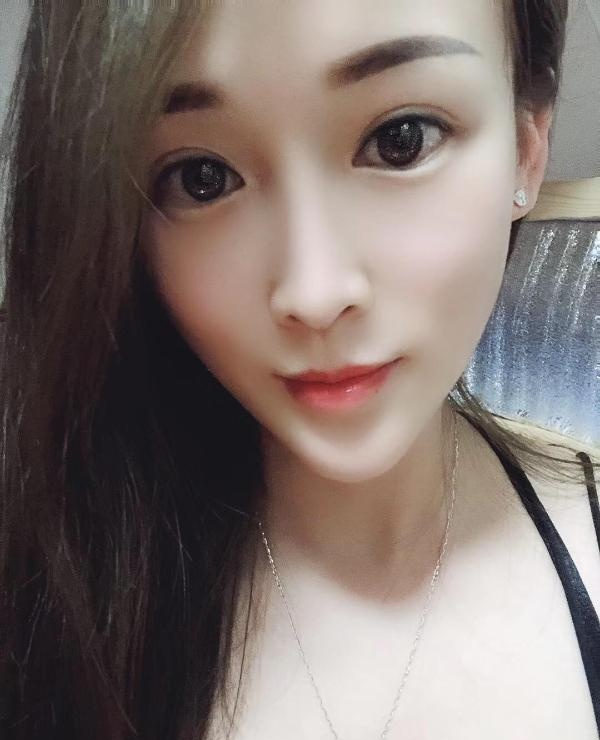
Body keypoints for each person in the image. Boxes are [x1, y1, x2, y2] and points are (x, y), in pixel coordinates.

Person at [1, 1, 598, 738]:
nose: (313, 293)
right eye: (202, 178)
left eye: (401, 141)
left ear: (528, 147)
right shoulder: (47, 600)